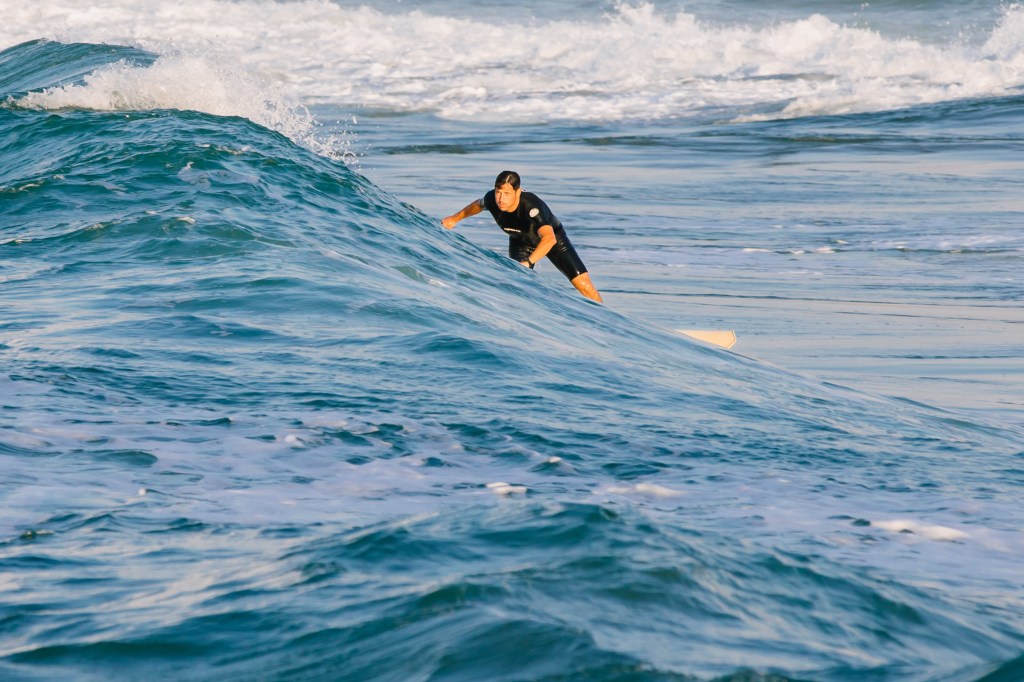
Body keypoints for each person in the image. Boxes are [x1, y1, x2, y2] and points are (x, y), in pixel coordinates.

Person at [441, 171, 603, 303]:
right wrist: (454, 219)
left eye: (507, 193)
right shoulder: (491, 199)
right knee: (517, 286)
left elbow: (549, 239)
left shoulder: (531, 206)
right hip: (521, 242)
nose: (501, 199)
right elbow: (478, 204)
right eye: (498, 192)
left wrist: (529, 262)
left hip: (554, 241)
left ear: (517, 192)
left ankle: (602, 319)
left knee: (584, 285)